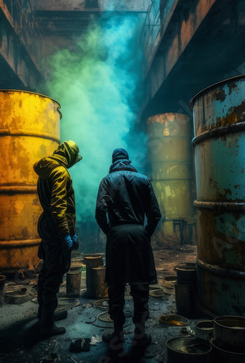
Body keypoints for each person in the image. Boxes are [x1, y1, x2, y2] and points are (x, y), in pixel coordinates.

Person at [95, 148, 162, 350]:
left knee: (116, 285)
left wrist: (111, 232)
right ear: (128, 160)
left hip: (116, 234)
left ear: (114, 161)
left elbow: (100, 213)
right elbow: (155, 214)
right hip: (139, 233)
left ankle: (117, 335)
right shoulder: (143, 180)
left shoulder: (108, 180)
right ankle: (140, 336)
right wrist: (144, 235)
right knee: (140, 285)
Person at [33, 140, 82, 337]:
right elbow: (59, 206)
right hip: (55, 227)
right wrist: (66, 234)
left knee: (47, 270)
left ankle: (44, 314)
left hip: (46, 223)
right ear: (69, 155)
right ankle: (46, 324)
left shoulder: (47, 169)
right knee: (55, 272)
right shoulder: (60, 172)